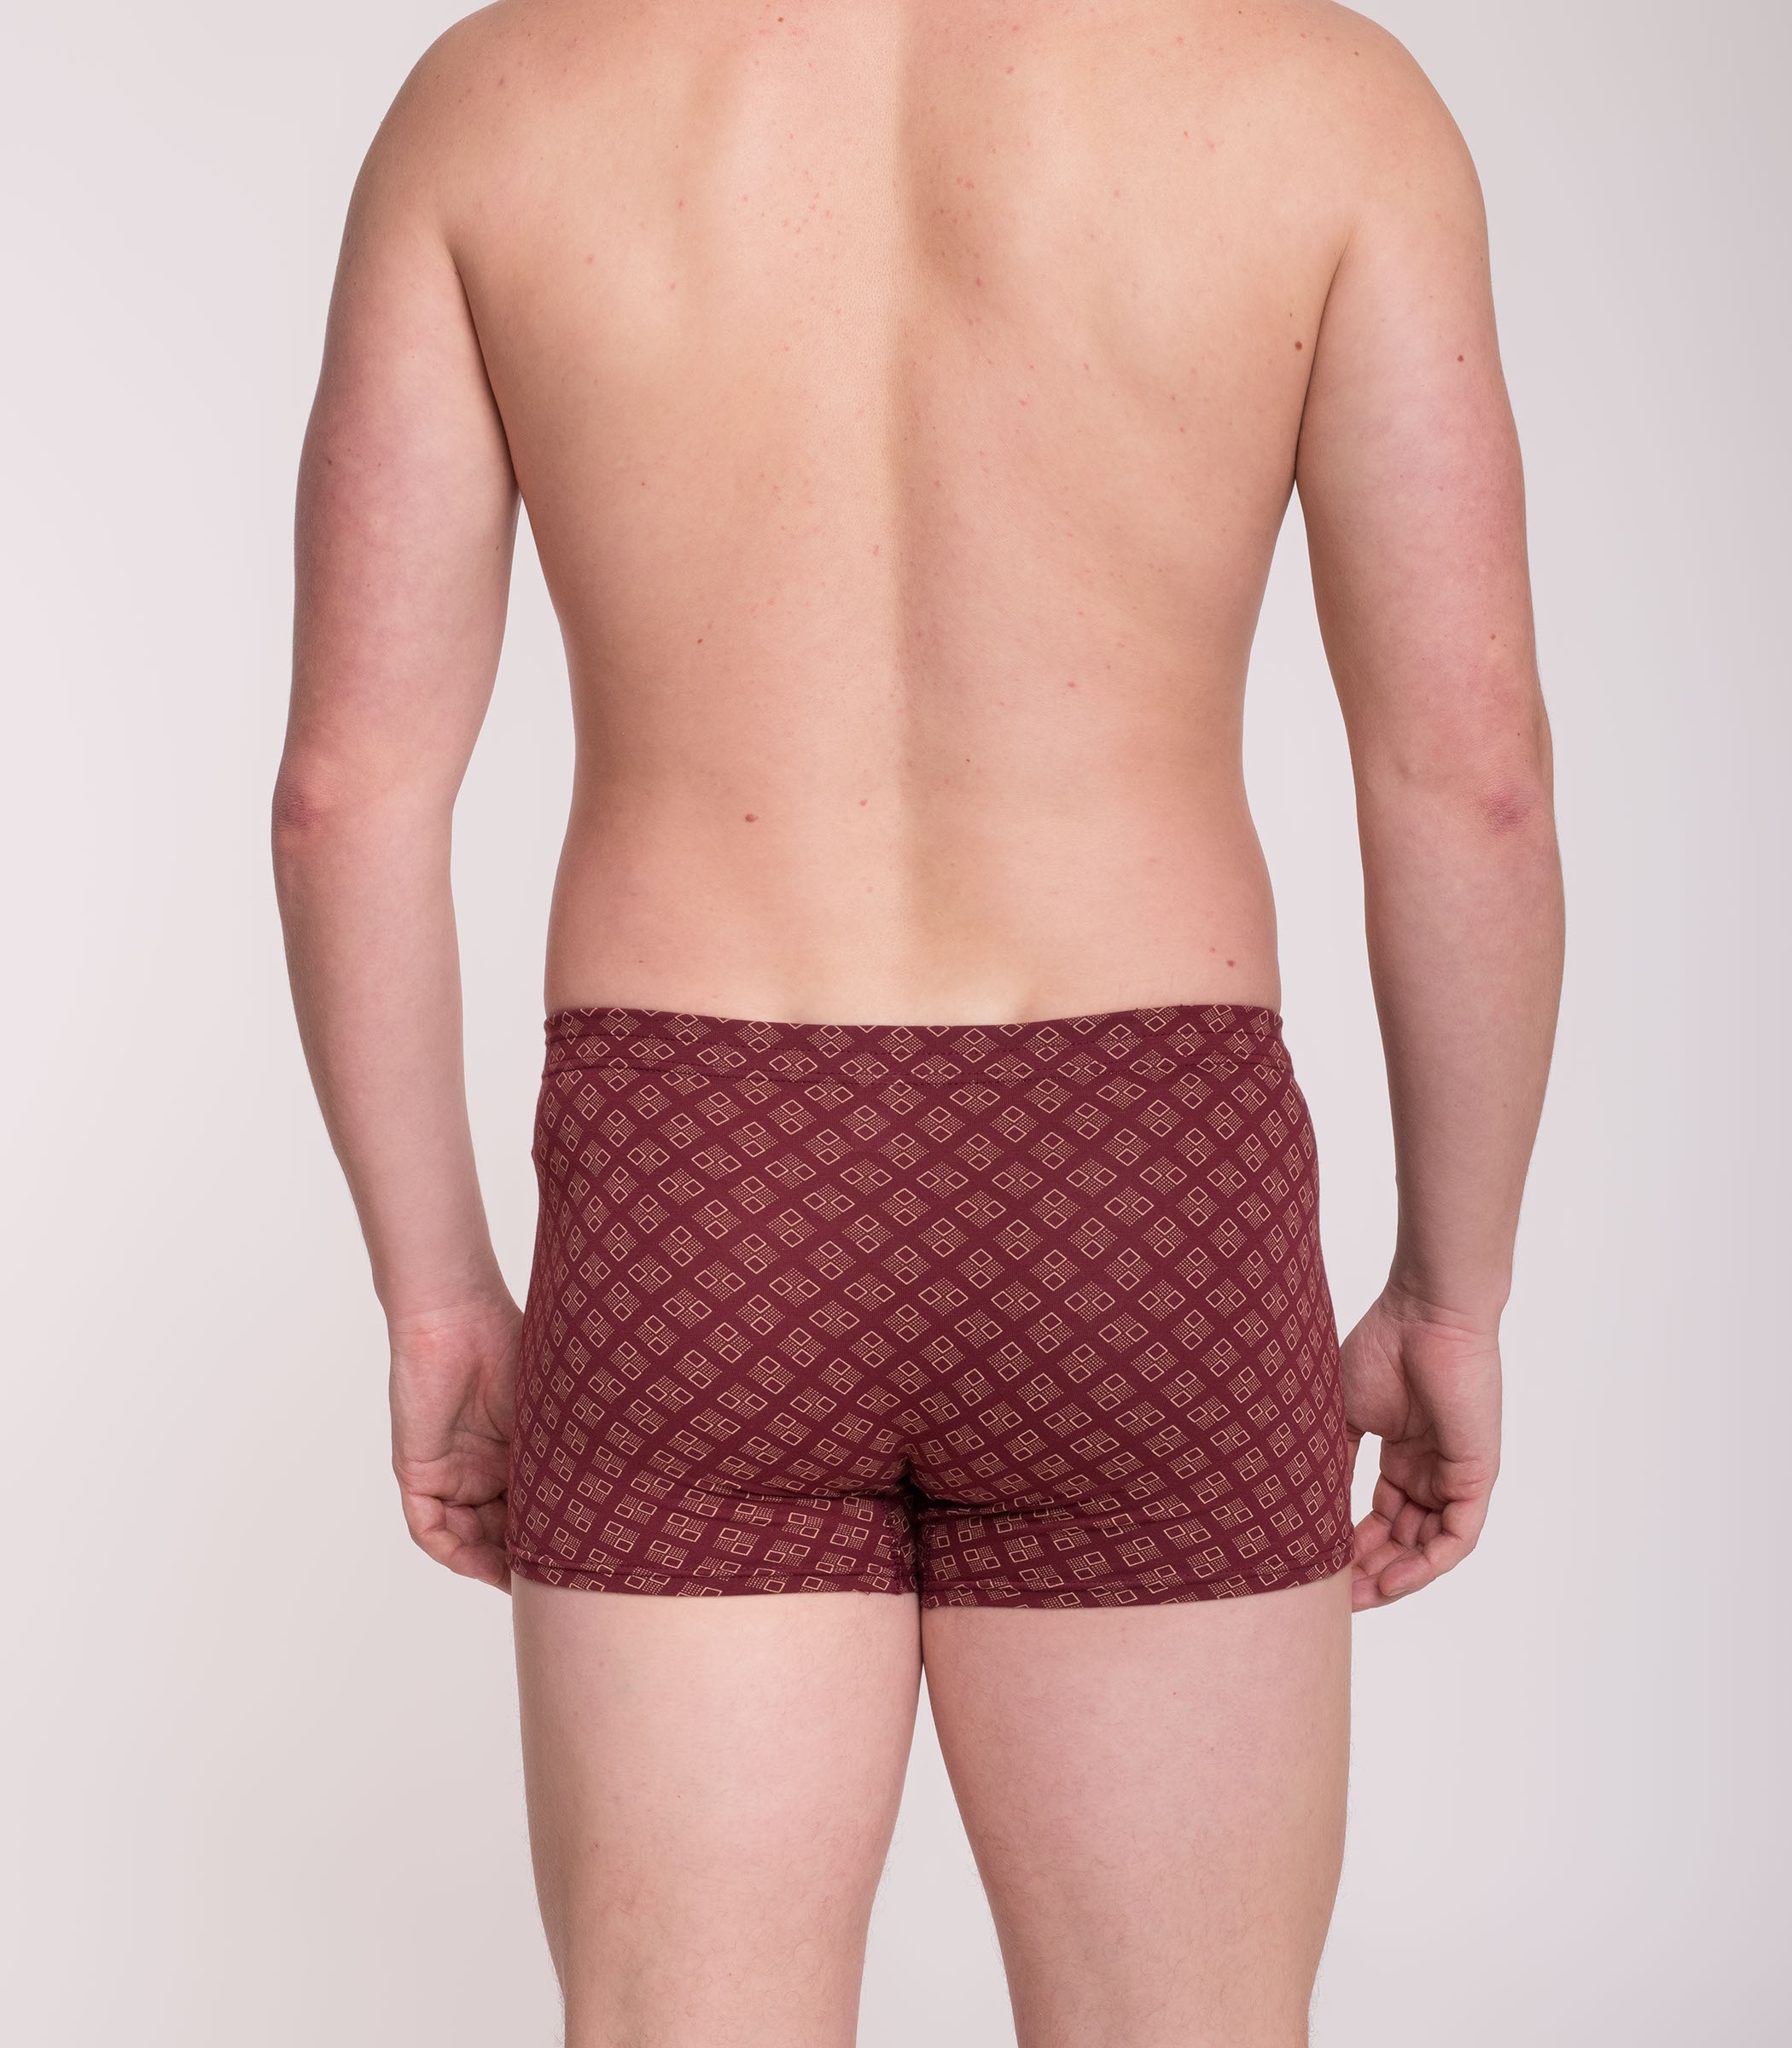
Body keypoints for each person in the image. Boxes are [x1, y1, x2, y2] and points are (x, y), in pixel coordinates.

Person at [272, 0, 1563, 2039]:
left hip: (698, 1191)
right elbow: (1470, 781)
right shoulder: (1329, 106)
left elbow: (347, 795)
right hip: (1147, 1188)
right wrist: (1452, 1291)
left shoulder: (497, 105)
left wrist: (439, 1297)